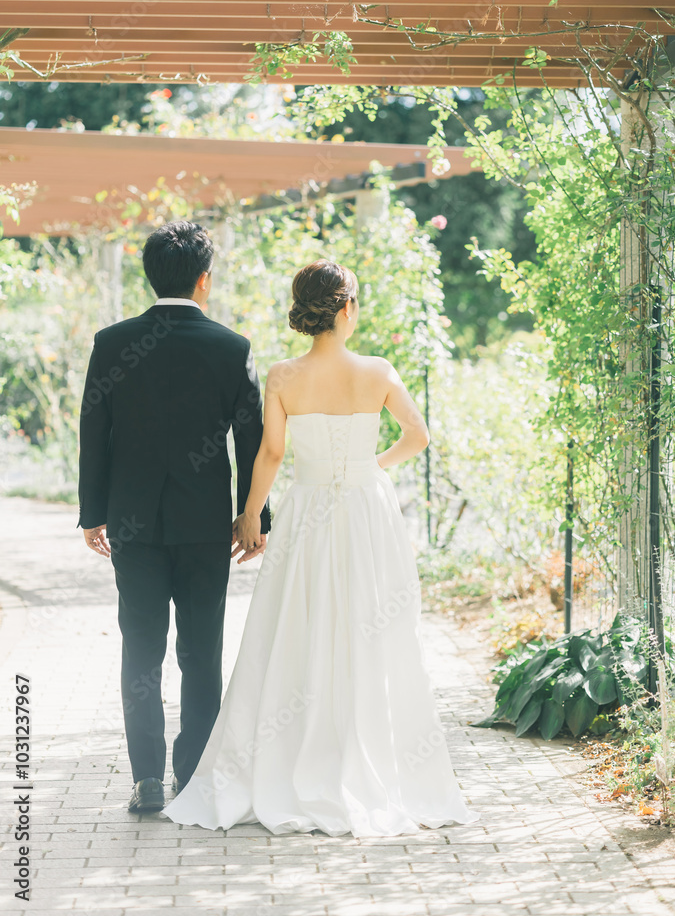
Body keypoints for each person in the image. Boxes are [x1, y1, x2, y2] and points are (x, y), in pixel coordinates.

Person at [162, 258, 479, 837]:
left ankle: (289, 754)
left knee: (297, 623)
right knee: (369, 623)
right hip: (366, 509)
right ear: (347, 308)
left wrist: (250, 513)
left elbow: (271, 453)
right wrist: (372, 466)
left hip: (306, 509)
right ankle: (367, 755)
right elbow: (418, 436)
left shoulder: (283, 376)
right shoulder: (378, 371)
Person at [77, 220, 270, 813]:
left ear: (150, 275)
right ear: (203, 279)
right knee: (201, 652)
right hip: (206, 525)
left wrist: (93, 513)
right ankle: (194, 776)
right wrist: (254, 518)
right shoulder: (231, 347)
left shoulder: (112, 342)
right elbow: (253, 440)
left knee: (140, 650)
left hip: (132, 523)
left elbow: (93, 431)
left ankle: (146, 781)